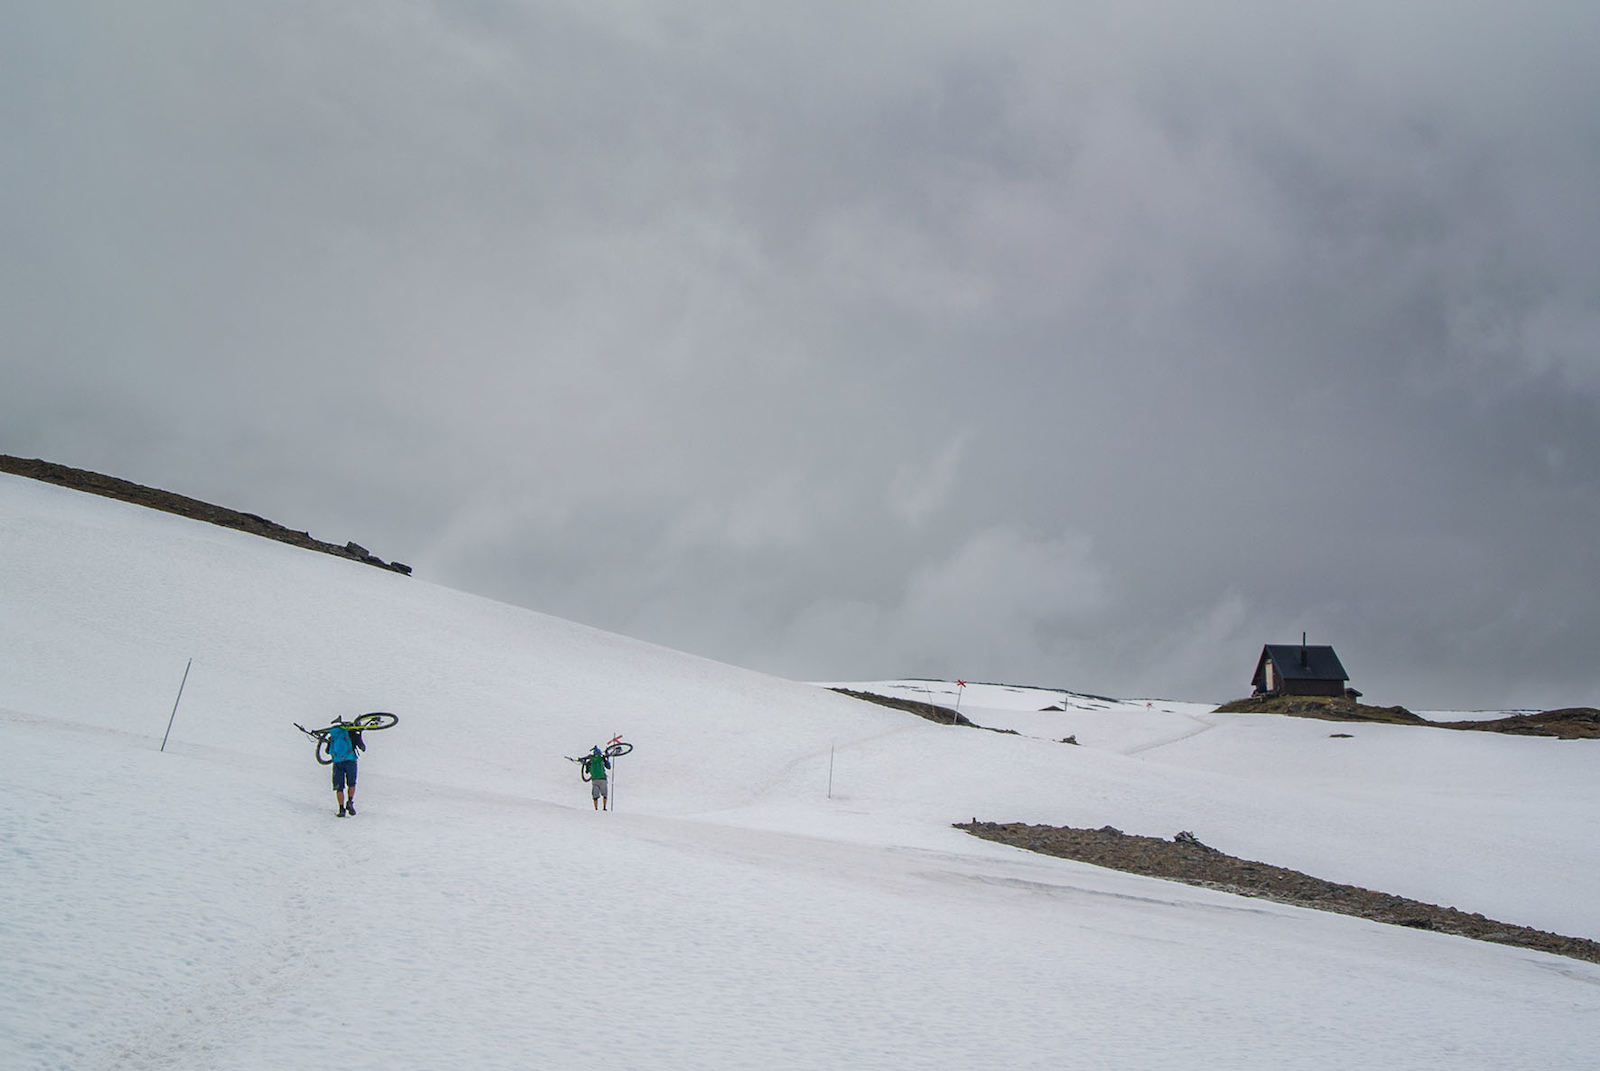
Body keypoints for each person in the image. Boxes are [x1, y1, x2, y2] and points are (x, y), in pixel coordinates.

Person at [328, 719, 366, 817]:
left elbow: (327, 751)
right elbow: (363, 748)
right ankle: (350, 802)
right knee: (351, 783)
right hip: (350, 761)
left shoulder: (334, 736)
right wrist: (359, 735)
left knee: (339, 787)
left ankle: (341, 809)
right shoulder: (353, 734)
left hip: (337, 763)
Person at [586, 745, 611, 811]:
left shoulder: (590, 761)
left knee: (595, 795)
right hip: (603, 779)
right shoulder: (602, 759)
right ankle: (604, 807)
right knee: (604, 794)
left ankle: (596, 809)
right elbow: (608, 766)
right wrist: (606, 759)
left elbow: (586, 771)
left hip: (594, 779)